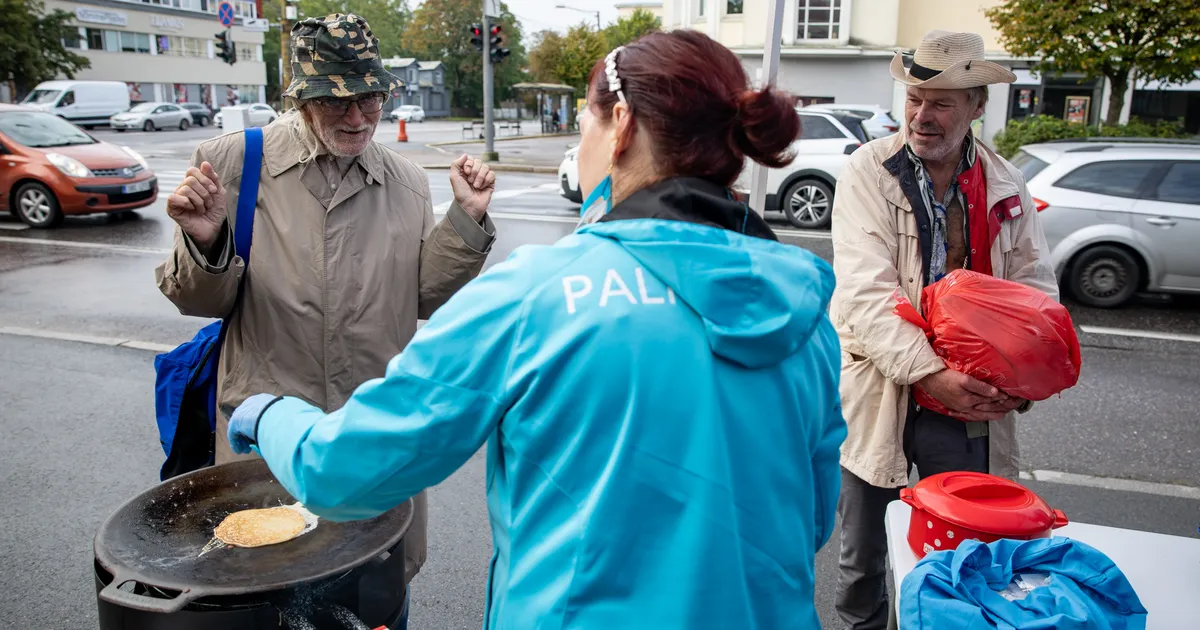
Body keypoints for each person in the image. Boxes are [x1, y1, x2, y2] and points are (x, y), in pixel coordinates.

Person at [227, 30, 845, 629]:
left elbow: (346, 471)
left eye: (584, 124)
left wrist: (268, 414)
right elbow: (813, 516)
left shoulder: (535, 294)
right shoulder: (800, 305)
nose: (581, 144)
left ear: (622, 125)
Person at [154, 12, 497, 621]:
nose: (359, 117)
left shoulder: (407, 182)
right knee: (267, 595)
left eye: (370, 98)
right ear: (300, 98)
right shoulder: (233, 163)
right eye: (337, 101)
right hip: (265, 444)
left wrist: (465, 222)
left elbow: (420, 298)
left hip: (374, 442)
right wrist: (206, 243)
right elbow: (199, 300)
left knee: (375, 600)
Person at [830, 30, 1058, 629]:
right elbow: (864, 293)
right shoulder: (867, 170)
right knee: (862, 562)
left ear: (977, 106)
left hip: (970, 401)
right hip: (882, 388)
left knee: (963, 557)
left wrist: (1017, 383)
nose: (921, 116)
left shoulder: (1005, 183)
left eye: (941, 104)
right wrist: (930, 373)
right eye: (914, 99)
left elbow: (1034, 294)